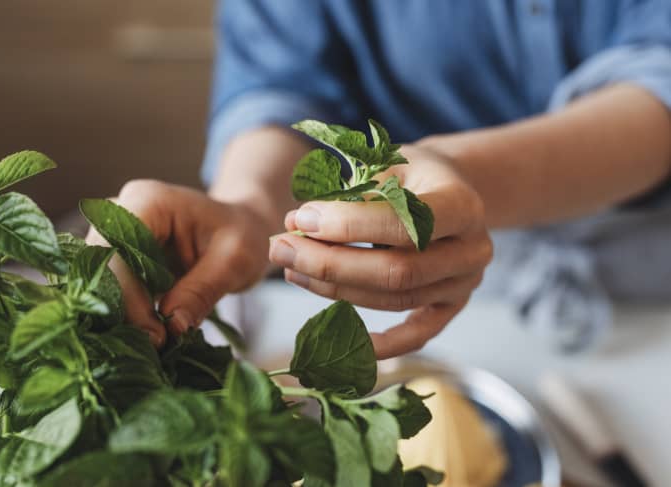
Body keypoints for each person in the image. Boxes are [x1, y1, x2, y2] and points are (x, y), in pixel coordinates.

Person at [88, 1, 671, 358]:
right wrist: (245, 206)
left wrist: (469, 177)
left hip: (648, 286)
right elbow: (279, 79)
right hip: (420, 283)